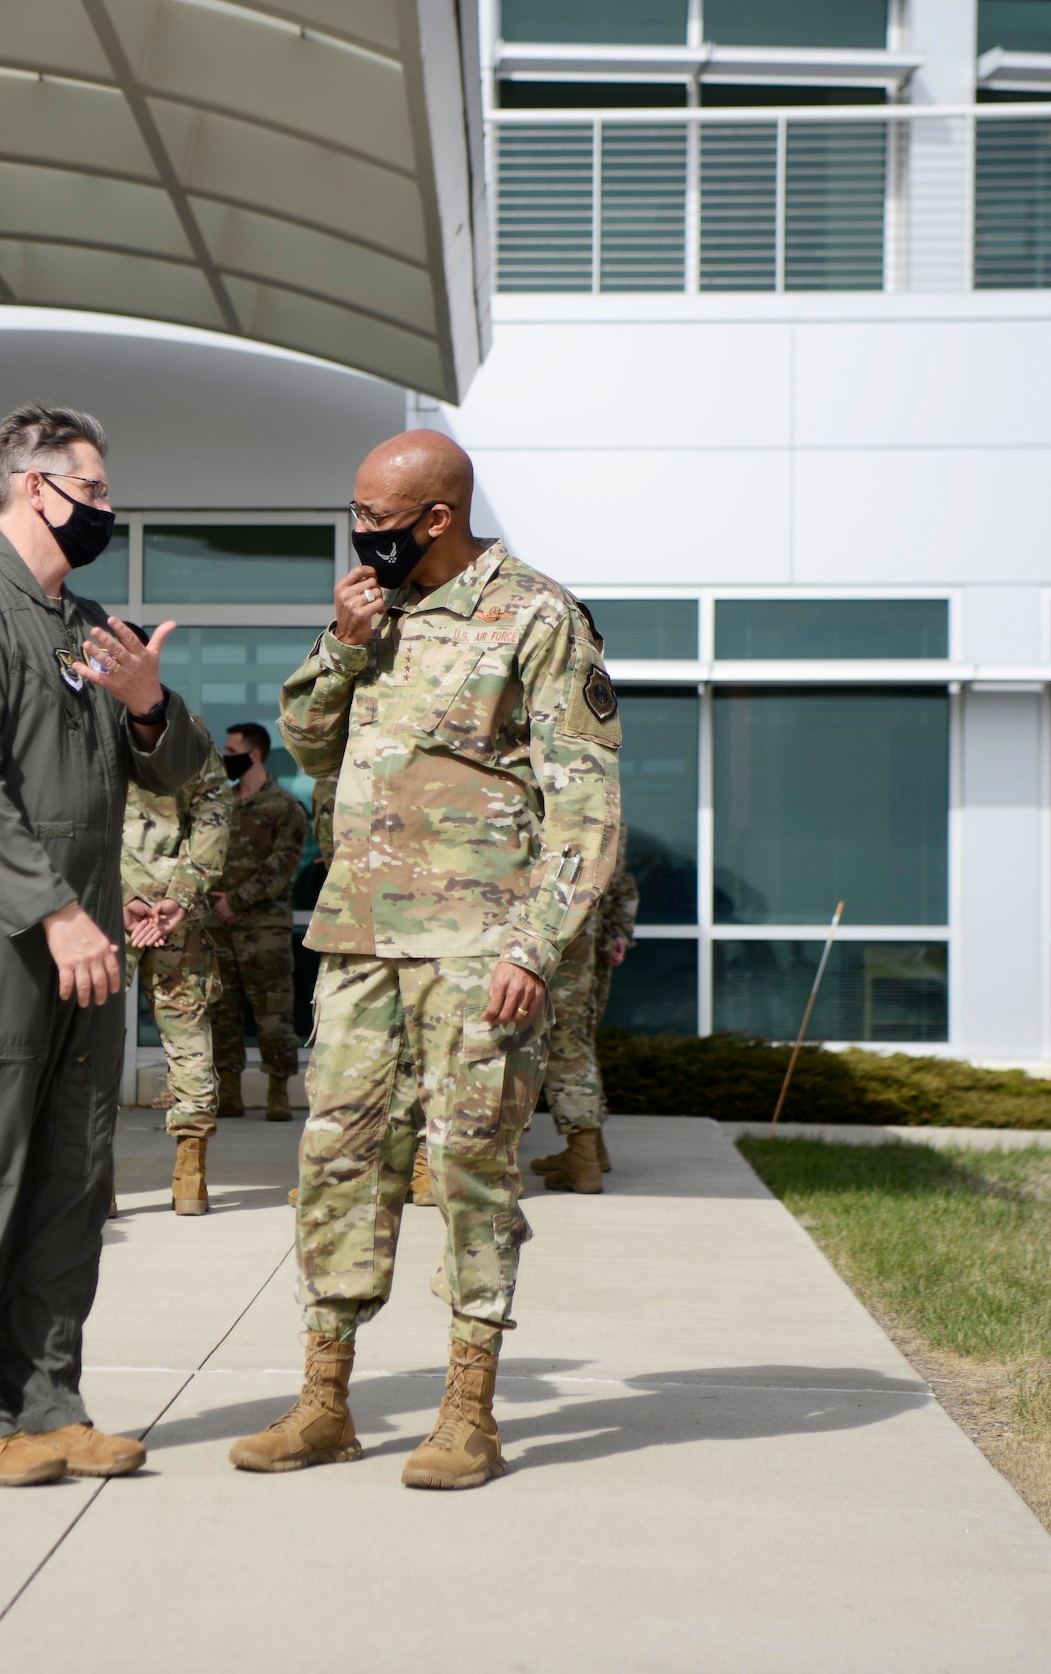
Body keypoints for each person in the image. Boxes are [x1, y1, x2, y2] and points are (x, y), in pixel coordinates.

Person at [230, 430, 621, 1489]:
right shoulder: (372, 611)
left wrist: (534, 947)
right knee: (336, 1165)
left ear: (436, 518)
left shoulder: (537, 616)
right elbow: (308, 747)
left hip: (475, 950)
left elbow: (581, 804)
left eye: (377, 520)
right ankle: (323, 1402)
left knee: (469, 1172)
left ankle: (467, 1409)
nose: (359, 536)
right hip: (358, 939)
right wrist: (343, 641)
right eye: (354, 515)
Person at [0, 403, 203, 1488]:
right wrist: (55, 912)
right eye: (97, 491)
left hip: (84, 937)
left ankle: (49, 1399)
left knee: (71, 1177)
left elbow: (177, 771)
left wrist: (147, 701)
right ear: (37, 488)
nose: (106, 511)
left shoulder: (89, 626)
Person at [121, 711, 231, 1215]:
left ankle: (91, 1176)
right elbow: (213, 811)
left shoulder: (81, 718)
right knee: (187, 1036)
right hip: (173, 915)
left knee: (84, 1042)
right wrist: (181, 895)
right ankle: (191, 1176)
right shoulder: (185, 727)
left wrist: (120, 893)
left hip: (102, 910)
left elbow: (66, 818)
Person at [208, 722, 307, 1121]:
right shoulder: (220, 805)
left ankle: (278, 1093)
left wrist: (237, 900)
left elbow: (282, 866)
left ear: (253, 755)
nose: (224, 756)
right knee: (222, 1011)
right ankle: (228, 1092)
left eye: (231, 749)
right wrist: (220, 903)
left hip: (263, 927)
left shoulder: (285, 807)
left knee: (273, 1014)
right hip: (219, 925)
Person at [532, 832, 638, 1193]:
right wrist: (617, 932)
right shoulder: (602, 796)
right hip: (585, 929)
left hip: (528, 923)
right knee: (573, 1041)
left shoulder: (521, 782)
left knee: (506, 1038)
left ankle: (498, 1163)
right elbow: (619, 878)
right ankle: (587, 1155)